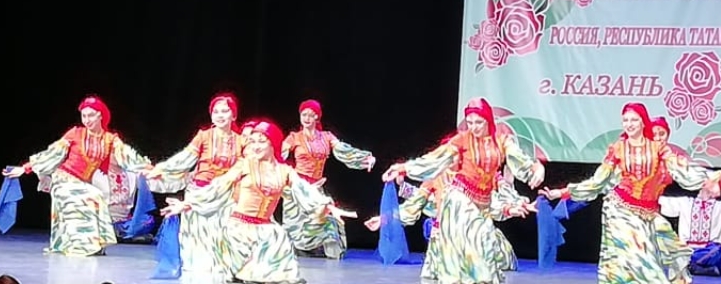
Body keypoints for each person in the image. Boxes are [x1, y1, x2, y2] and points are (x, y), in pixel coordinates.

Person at [539, 102, 721, 284]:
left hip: (649, 213)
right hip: (620, 210)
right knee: (640, 261)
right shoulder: (618, 149)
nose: (629, 124)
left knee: (675, 249)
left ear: (643, 122)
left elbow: (681, 169)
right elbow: (598, 181)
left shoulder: (658, 149)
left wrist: (712, 178)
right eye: (625, 120)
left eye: (634, 120)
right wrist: (561, 193)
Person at [160, 119, 356, 284]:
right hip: (238, 231)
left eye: (262, 141)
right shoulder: (244, 165)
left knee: (280, 272)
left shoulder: (284, 171)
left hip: (268, 233)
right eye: (252, 141)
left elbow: (305, 190)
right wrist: (188, 203)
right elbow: (218, 186)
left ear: (273, 144)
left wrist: (328, 206)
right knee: (234, 274)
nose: (255, 146)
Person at [382, 97, 545, 284]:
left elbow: (519, 160)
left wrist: (536, 169)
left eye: (479, 122)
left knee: (485, 247)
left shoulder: (502, 141)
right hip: (459, 201)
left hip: (483, 204)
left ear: (488, 120)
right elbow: (435, 158)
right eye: (470, 123)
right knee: (473, 245)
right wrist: (403, 168)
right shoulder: (462, 140)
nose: (474, 127)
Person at [1, 96, 152, 256]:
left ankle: (95, 244)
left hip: (82, 184)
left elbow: (128, 156)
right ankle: (81, 246)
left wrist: (151, 169)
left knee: (97, 197)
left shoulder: (110, 140)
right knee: (90, 196)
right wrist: (25, 168)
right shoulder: (75, 134)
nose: (87, 120)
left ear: (100, 115)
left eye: (91, 115)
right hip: (63, 180)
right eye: (83, 116)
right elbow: (51, 154)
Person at [366, 164, 534, 281]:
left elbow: (491, 203)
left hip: (472, 238)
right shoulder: (436, 179)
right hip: (444, 242)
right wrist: (384, 219)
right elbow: (414, 204)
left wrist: (510, 208)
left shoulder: (473, 179)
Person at [146, 93, 245, 272]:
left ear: (234, 115)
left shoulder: (242, 141)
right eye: (216, 112)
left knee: (223, 233)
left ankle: (223, 266)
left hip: (225, 195)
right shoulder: (204, 136)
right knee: (198, 236)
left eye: (225, 111)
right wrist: (163, 169)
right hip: (200, 193)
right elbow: (185, 158)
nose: (220, 115)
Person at [281, 99, 375, 259]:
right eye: (304, 115)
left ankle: (328, 253)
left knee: (325, 218)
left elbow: (344, 151)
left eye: (311, 115)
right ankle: (289, 253)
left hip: (317, 186)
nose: (307, 118)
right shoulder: (294, 138)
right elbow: (277, 155)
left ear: (317, 117)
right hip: (297, 187)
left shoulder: (327, 137)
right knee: (294, 224)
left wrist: (364, 158)